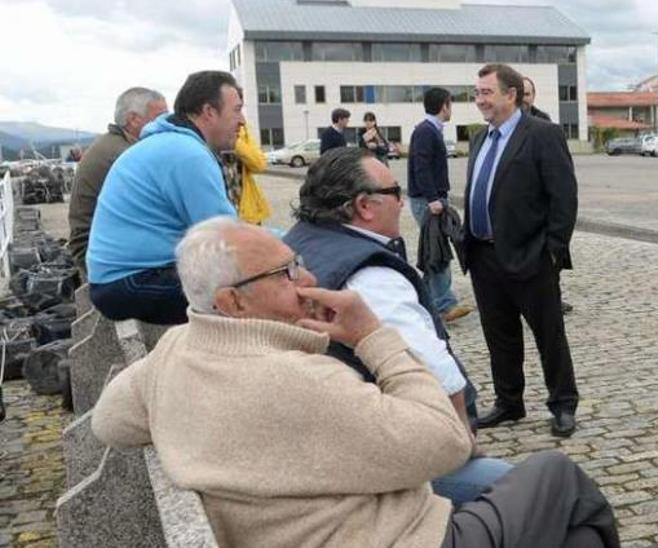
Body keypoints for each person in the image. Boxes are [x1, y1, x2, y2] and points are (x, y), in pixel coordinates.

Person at [92, 217, 621, 548]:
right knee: (558, 477)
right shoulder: (299, 377)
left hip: (317, 518)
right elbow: (447, 439)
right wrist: (372, 334)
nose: (307, 281)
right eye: (284, 275)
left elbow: (111, 420)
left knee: (573, 535)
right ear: (232, 302)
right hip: (408, 537)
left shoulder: (179, 350)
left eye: (296, 263)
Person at [283, 147, 507, 503]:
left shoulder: (296, 242)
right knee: (542, 490)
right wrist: (462, 438)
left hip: (327, 436)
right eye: (394, 193)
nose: (402, 202)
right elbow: (433, 366)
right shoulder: (371, 276)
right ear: (364, 206)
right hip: (384, 451)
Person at [465, 64, 580, 438]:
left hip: (531, 257)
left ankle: (562, 404)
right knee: (500, 336)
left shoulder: (542, 134)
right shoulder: (480, 139)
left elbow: (563, 196)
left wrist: (552, 250)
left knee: (549, 335)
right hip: (484, 256)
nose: (479, 99)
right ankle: (509, 402)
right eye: (478, 93)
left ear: (510, 95)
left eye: (487, 92)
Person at [87, 71, 242, 324]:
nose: (242, 120)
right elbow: (226, 236)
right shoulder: (187, 153)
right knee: (251, 291)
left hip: (117, 279)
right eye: (237, 110)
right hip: (131, 282)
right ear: (209, 112)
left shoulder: (170, 144)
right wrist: (290, 244)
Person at [68, 87, 168, 277]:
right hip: (99, 254)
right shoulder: (125, 154)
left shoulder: (116, 144)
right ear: (133, 119)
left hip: (96, 245)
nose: (167, 123)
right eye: (161, 117)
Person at [409, 87, 472, 322]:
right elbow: (421, 167)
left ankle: (425, 300)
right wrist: (432, 198)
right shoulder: (426, 131)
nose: (451, 109)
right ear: (444, 105)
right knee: (438, 252)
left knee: (433, 251)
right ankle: (445, 305)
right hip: (429, 202)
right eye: (450, 104)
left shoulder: (430, 130)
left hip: (432, 199)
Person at [520, 75, 576, 314]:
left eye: (528, 94)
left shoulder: (545, 123)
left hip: (542, 209)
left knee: (549, 265)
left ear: (533, 97)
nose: (524, 99)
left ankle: (552, 299)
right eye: (520, 93)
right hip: (518, 211)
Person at [221, 123, 272, 225]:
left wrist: (236, 142)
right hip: (222, 215)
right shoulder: (205, 136)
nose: (242, 119)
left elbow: (259, 165)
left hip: (246, 212)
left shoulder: (241, 131)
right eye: (237, 110)